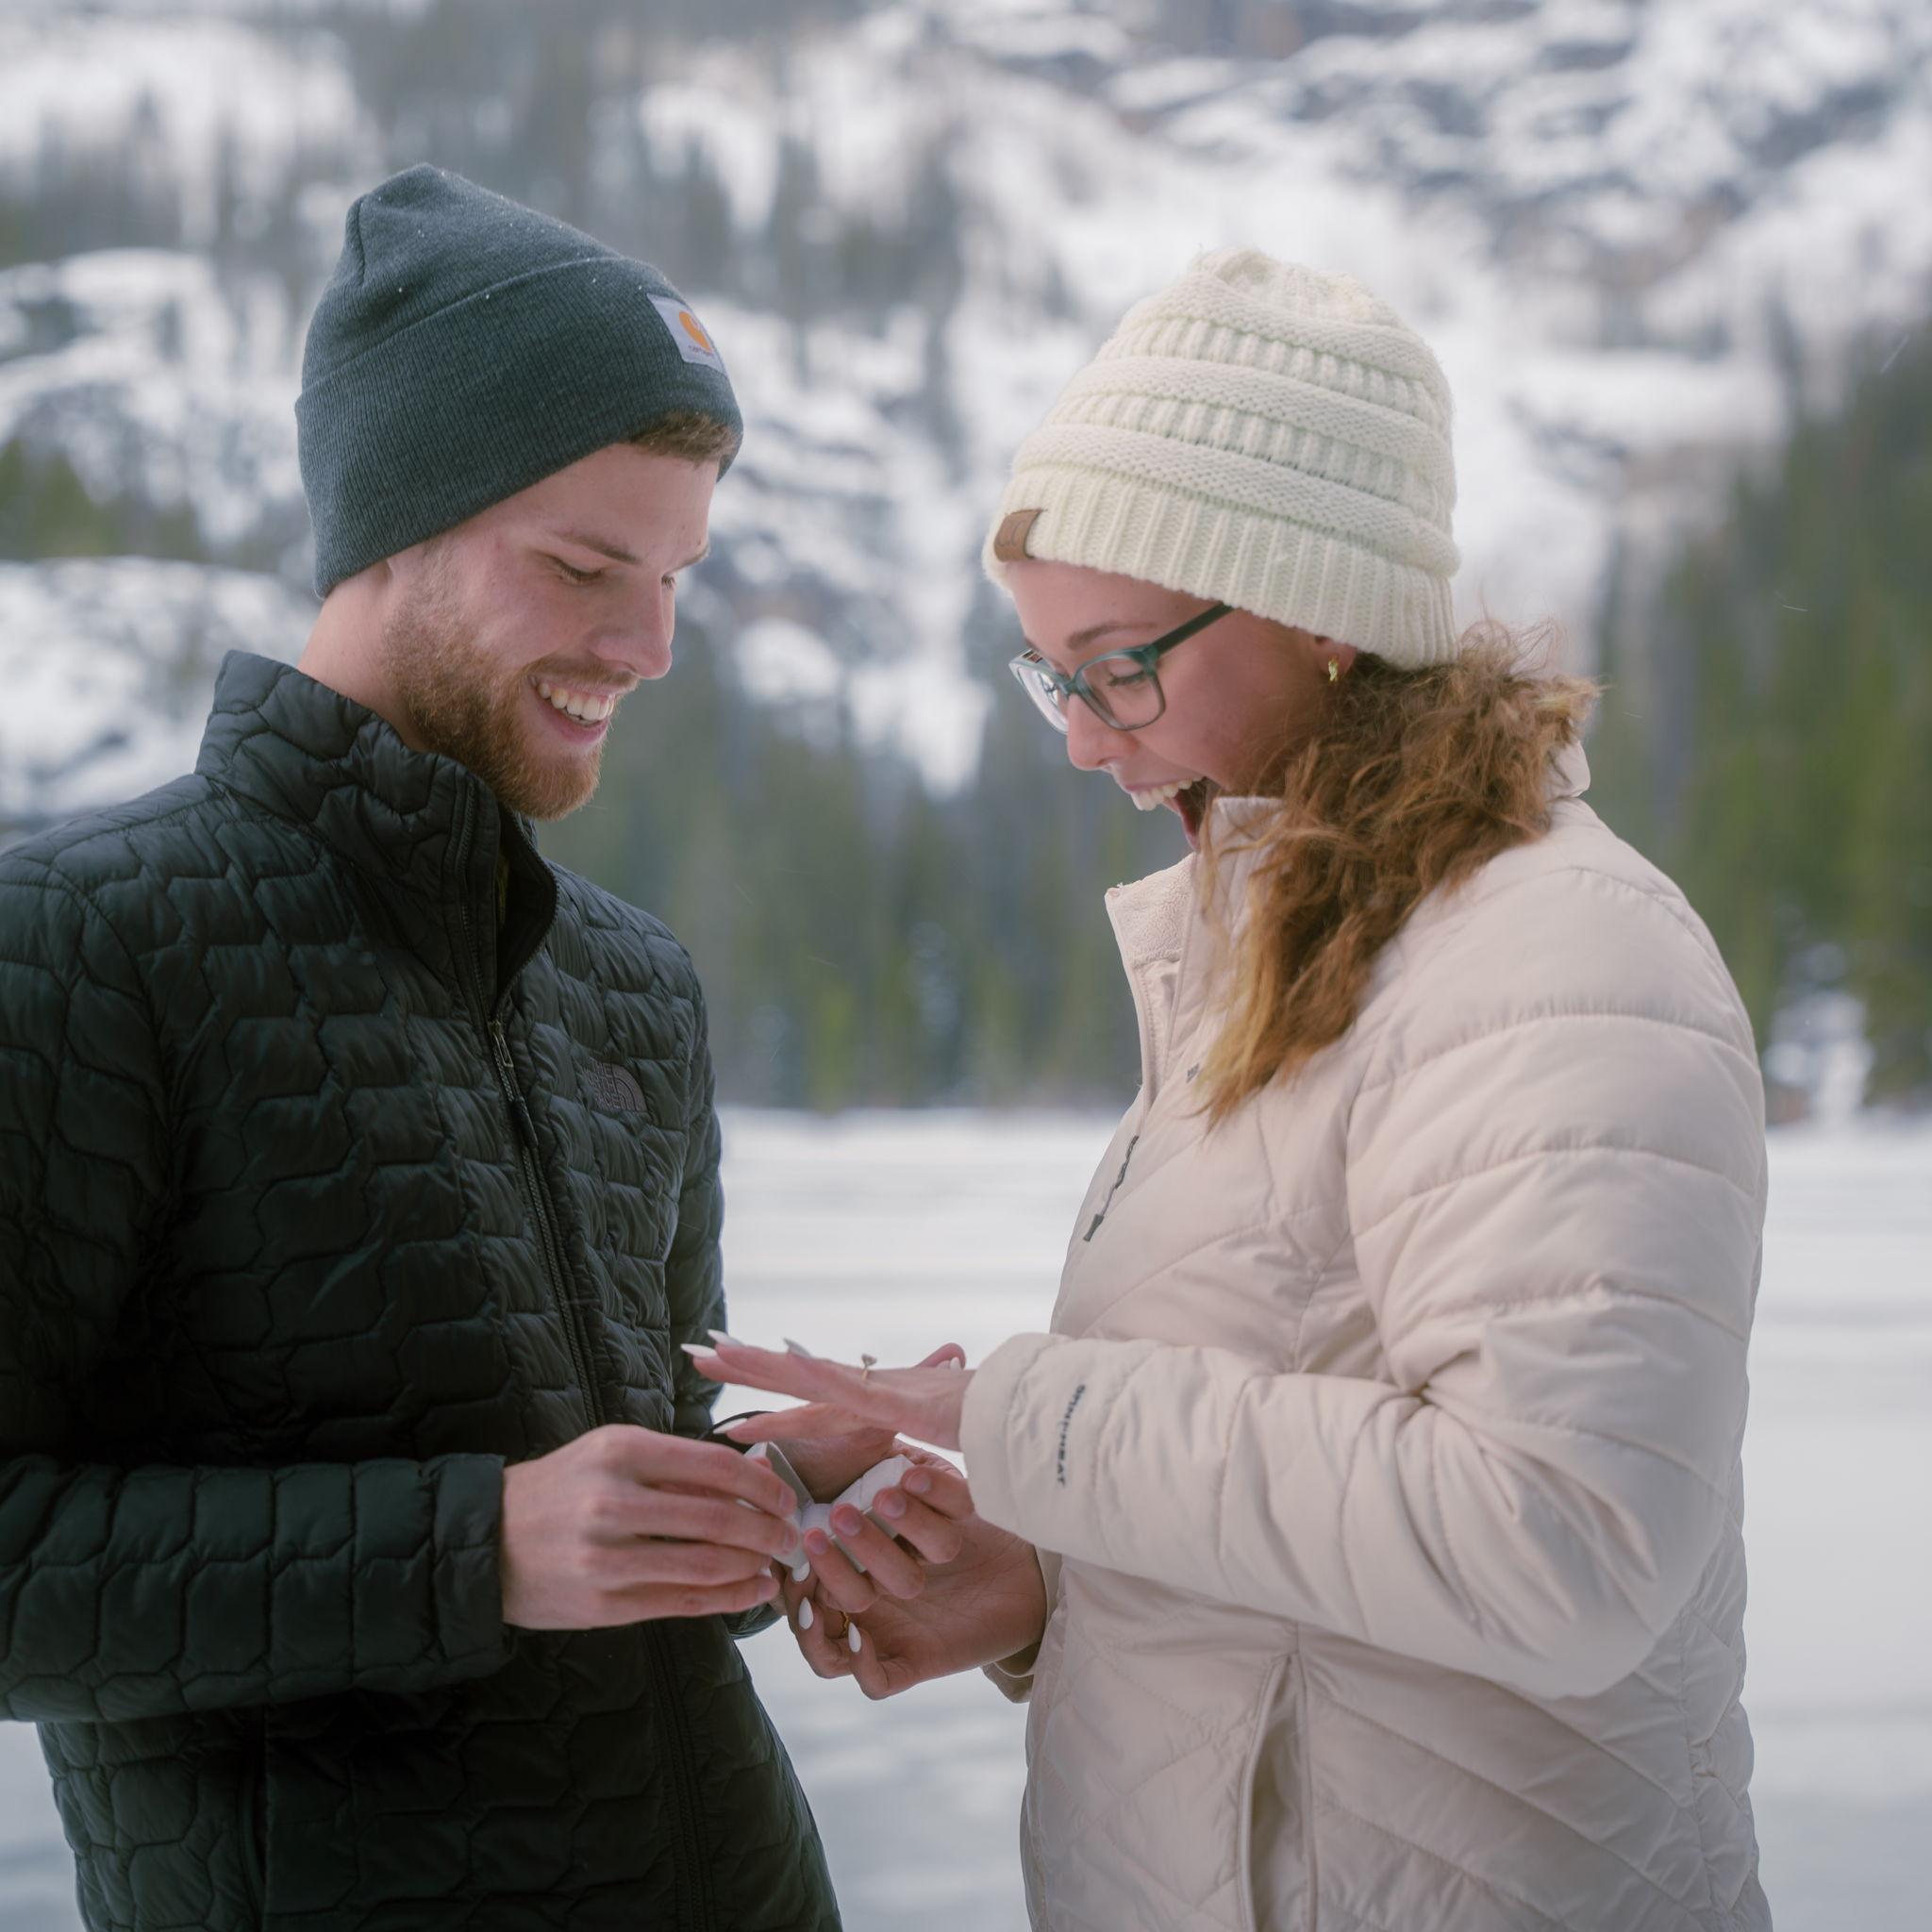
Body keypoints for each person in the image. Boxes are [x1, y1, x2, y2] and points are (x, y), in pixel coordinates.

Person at [690, 250, 1774, 1931]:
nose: (1080, 736)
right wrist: (1041, 1589)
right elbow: (1301, 1504)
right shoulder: (1278, 952)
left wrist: (1017, 1422)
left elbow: (1560, 1551)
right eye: (1051, 673)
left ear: (1319, 607)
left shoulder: (1555, 953)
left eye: (1122, 664)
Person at [0, 164, 965, 1932]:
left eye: (675, 575)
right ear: (396, 526)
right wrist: (478, 1547)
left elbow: (608, 1518)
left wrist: (773, 1489)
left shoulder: (628, 984)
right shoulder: (72, 941)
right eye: (588, 567)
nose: (650, 644)